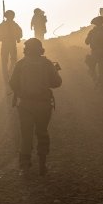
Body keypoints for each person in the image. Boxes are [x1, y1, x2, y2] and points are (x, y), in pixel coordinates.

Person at [9, 38, 62, 177]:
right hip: (44, 105)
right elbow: (57, 83)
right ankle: (42, 165)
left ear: (26, 49)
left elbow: (12, 83)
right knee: (42, 132)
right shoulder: (47, 63)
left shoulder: (20, 64)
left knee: (26, 135)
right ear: (40, 49)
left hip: (25, 105)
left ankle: (24, 167)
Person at [84, 16, 103, 88]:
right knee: (102, 72)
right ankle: (101, 85)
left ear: (95, 23)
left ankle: (96, 81)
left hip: (95, 54)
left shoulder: (92, 32)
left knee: (91, 68)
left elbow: (86, 42)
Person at [0, 10, 23, 83]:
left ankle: (8, 74)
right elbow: (20, 33)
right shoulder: (12, 25)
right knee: (10, 60)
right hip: (10, 43)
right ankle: (10, 74)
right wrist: (18, 38)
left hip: (7, 44)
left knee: (6, 60)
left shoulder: (3, 25)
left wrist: (1, 36)